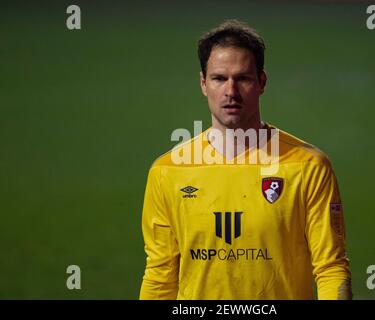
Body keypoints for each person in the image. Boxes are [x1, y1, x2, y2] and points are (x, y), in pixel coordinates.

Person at [139, 19, 352, 300]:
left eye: (242, 78)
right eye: (219, 78)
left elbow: (330, 268)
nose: (231, 91)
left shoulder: (308, 166)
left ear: (261, 82)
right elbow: (160, 275)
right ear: (203, 83)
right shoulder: (167, 172)